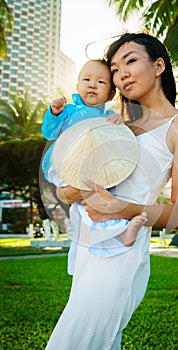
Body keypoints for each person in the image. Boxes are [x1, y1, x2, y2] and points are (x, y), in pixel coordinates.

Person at [45, 32, 178, 349]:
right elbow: (67, 189)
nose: (121, 74)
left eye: (130, 61)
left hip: (122, 251)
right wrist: (70, 193)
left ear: (158, 66)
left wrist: (118, 207)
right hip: (89, 246)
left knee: (71, 341)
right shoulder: (114, 123)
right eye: (115, 69)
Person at [41, 58, 148, 274]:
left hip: (96, 170)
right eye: (86, 79)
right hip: (65, 166)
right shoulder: (68, 111)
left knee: (94, 208)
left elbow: (118, 142)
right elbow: (49, 132)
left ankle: (117, 235)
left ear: (110, 93)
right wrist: (53, 113)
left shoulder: (108, 115)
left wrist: (118, 121)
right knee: (89, 204)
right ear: (77, 85)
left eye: (101, 82)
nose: (92, 84)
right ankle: (116, 236)